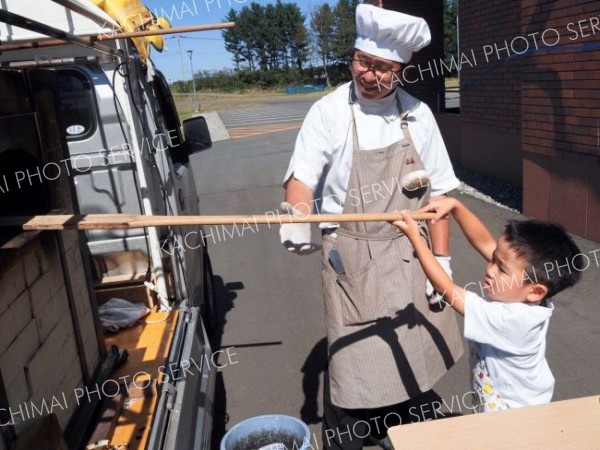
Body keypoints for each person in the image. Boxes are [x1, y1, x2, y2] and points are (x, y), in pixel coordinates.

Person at [280, 4, 463, 449]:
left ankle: (413, 434)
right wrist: (298, 222)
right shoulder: (328, 112)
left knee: (413, 357)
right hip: (353, 258)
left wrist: (442, 261)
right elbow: (300, 179)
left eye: (383, 68)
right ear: (354, 57)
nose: (370, 75)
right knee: (355, 364)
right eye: (363, 62)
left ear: (401, 70)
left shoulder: (418, 115)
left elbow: (438, 198)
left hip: (410, 256)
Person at [391, 196, 583, 412]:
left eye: (501, 269)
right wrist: (456, 206)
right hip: (517, 395)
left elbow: (448, 290)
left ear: (535, 292)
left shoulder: (509, 319)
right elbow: (485, 242)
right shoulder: (527, 291)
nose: (490, 269)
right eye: (493, 259)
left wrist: (416, 239)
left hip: (513, 410)